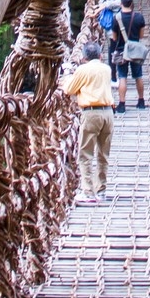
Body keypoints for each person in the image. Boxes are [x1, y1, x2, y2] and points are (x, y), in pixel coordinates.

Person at [60, 42, 116, 199]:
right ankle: (102, 190)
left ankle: (88, 192)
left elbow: (69, 89)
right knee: (103, 154)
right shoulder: (107, 69)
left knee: (85, 154)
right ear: (100, 55)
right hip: (108, 113)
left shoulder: (82, 70)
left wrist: (67, 76)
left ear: (84, 58)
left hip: (91, 113)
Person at [117, 2, 149, 109]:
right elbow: (141, 35)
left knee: (122, 77)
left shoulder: (116, 18)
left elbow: (113, 37)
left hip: (121, 51)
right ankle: (141, 101)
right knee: (138, 76)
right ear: (132, 4)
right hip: (135, 50)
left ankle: (122, 105)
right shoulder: (139, 17)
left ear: (121, 4)